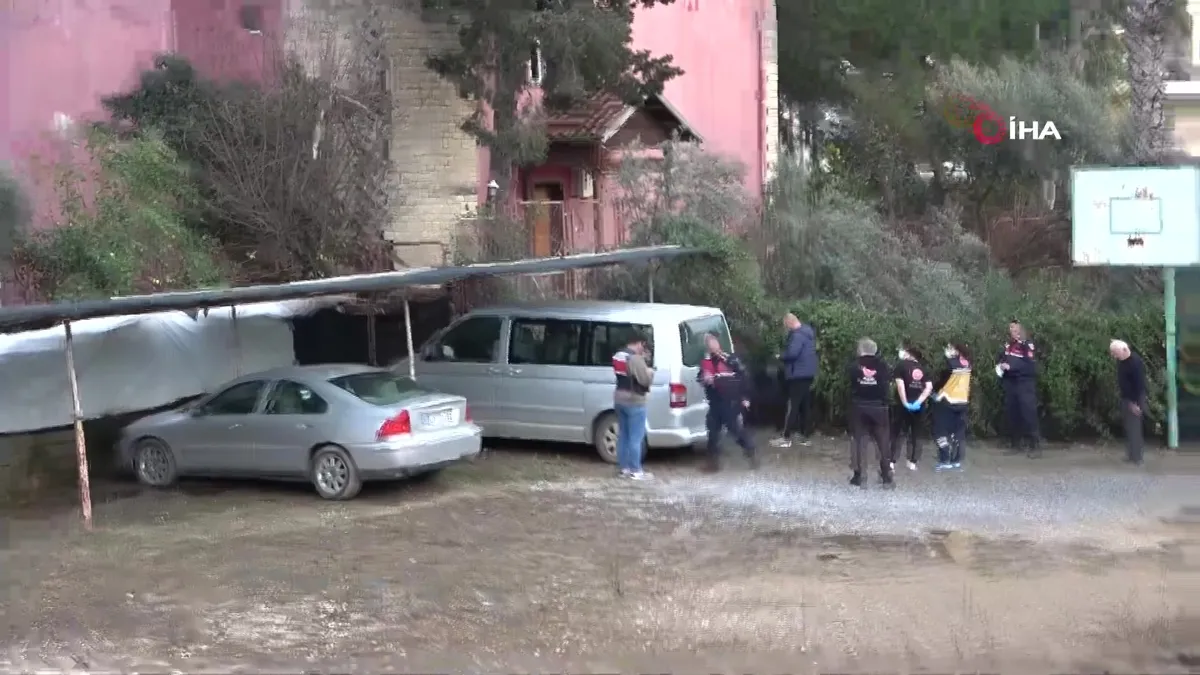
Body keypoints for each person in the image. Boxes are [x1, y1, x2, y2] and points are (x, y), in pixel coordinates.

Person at [698, 333, 757, 473]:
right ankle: (713, 464)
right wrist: (704, 379)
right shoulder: (705, 361)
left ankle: (750, 451)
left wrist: (745, 397)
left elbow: (743, 377)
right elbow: (700, 378)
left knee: (735, 430)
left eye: (713, 343)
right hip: (715, 401)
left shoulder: (729, 359)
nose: (712, 346)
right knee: (712, 432)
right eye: (709, 344)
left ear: (718, 344)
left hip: (729, 401)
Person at [846, 338, 892, 488]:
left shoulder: (854, 366)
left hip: (859, 406)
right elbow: (886, 385)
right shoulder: (883, 366)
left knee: (859, 441)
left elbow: (851, 383)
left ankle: (859, 477)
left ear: (861, 349)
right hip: (879, 407)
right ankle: (886, 477)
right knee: (883, 442)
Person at [612, 331, 654, 480]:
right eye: (643, 345)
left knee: (623, 435)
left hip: (619, 397)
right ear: (639, 343)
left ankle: (624, 469)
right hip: (634, 400)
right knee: (636, 437)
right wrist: (649, 371)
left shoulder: (617, 355)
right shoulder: (635, 358)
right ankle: (636, 470)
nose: (644, 349)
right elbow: (644, 380)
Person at [772, 313, 818, 448]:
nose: (787, 329)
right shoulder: (808, 333)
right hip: (807, 374)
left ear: (789, 322)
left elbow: (792, 353)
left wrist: (780, 356)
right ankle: (805, 435)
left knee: (793, 405)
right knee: (805, 405)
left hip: (797, 374)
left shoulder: (797, 335)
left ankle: (786, 437)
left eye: (786, 326)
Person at [997, 319, 1041, 458]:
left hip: (1024, 383)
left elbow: (1029, 365)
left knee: (1028, 413)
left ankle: (1035, 446)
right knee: (1012, 413)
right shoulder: (1008, 345)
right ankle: (1016, 444)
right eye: (1011, 329)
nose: (1013, 332)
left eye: (1016, 330)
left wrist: (1012, 367)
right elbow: (1003, 358)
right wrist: (1001, 365)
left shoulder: (1027, 345)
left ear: (1021, 330)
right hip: (1011, 382)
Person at [890, 342, 933, 472]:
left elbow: (900, 385)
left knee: (898, 433)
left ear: (909, 353)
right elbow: (929, 388)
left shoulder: (901, 366)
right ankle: (912, 462)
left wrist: (905, 402)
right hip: (919, 407)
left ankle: (892, 461)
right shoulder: (924, 368)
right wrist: (918, 402)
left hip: (903, 406)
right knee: (916, 433)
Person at [932, 342, 972, 471]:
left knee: (940, 431)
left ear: (955, 350)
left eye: (949, 348)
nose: (947, 350)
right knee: (958, 433)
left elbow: (943, 381)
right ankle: (957, 461)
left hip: (947, 400)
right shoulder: (968, 363)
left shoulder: (951, 363)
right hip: (962, 401)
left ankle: (945, 460)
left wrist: (935, 394)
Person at [1111, 339, 1148, 466]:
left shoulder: (1135, 362)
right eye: (1113, 353)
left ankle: (1137, 458)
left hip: (1135, 399)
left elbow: (1139, 385)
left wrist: (1135, 403)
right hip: (1126, 398)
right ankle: (1131, 454)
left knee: (1135, 429)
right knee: (1128, 428)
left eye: (1116, 353)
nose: (1114, 356)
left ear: (1125, 350)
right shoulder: (1122, 361)